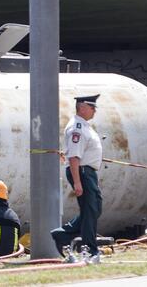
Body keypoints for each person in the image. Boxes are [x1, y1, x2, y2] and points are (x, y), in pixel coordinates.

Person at [51, 94, 103, 261]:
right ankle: (90, 249)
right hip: (81, 172)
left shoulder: (84, 126)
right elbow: (74, 157)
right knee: (90, 210)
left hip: (87, 172)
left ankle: (63, 234)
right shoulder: (77, 128)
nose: (94, 110)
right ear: (82, 107)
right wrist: (78, 182)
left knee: (94, 209)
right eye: (91, 106)